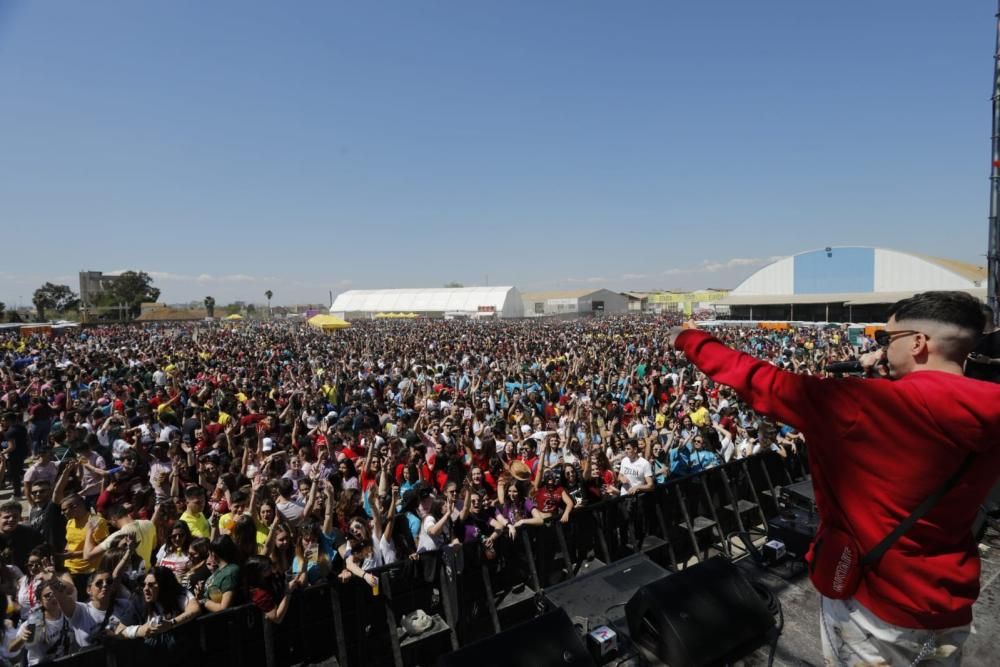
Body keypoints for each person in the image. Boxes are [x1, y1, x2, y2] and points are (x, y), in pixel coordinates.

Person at [668, 291, 1000, 665]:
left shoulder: (861, 403)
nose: (881, 349)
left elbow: (762, 381)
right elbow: (939, 408)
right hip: (947, 605)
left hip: (876, 613)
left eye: (887, 339)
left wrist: (689, 338)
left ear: (919, 343)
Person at [0, 501, 43, 573]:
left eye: (15, 516)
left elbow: (41, 550)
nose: (11, 519)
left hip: (25, 576)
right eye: (6, 517)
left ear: (20, 518)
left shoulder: (30, 533)